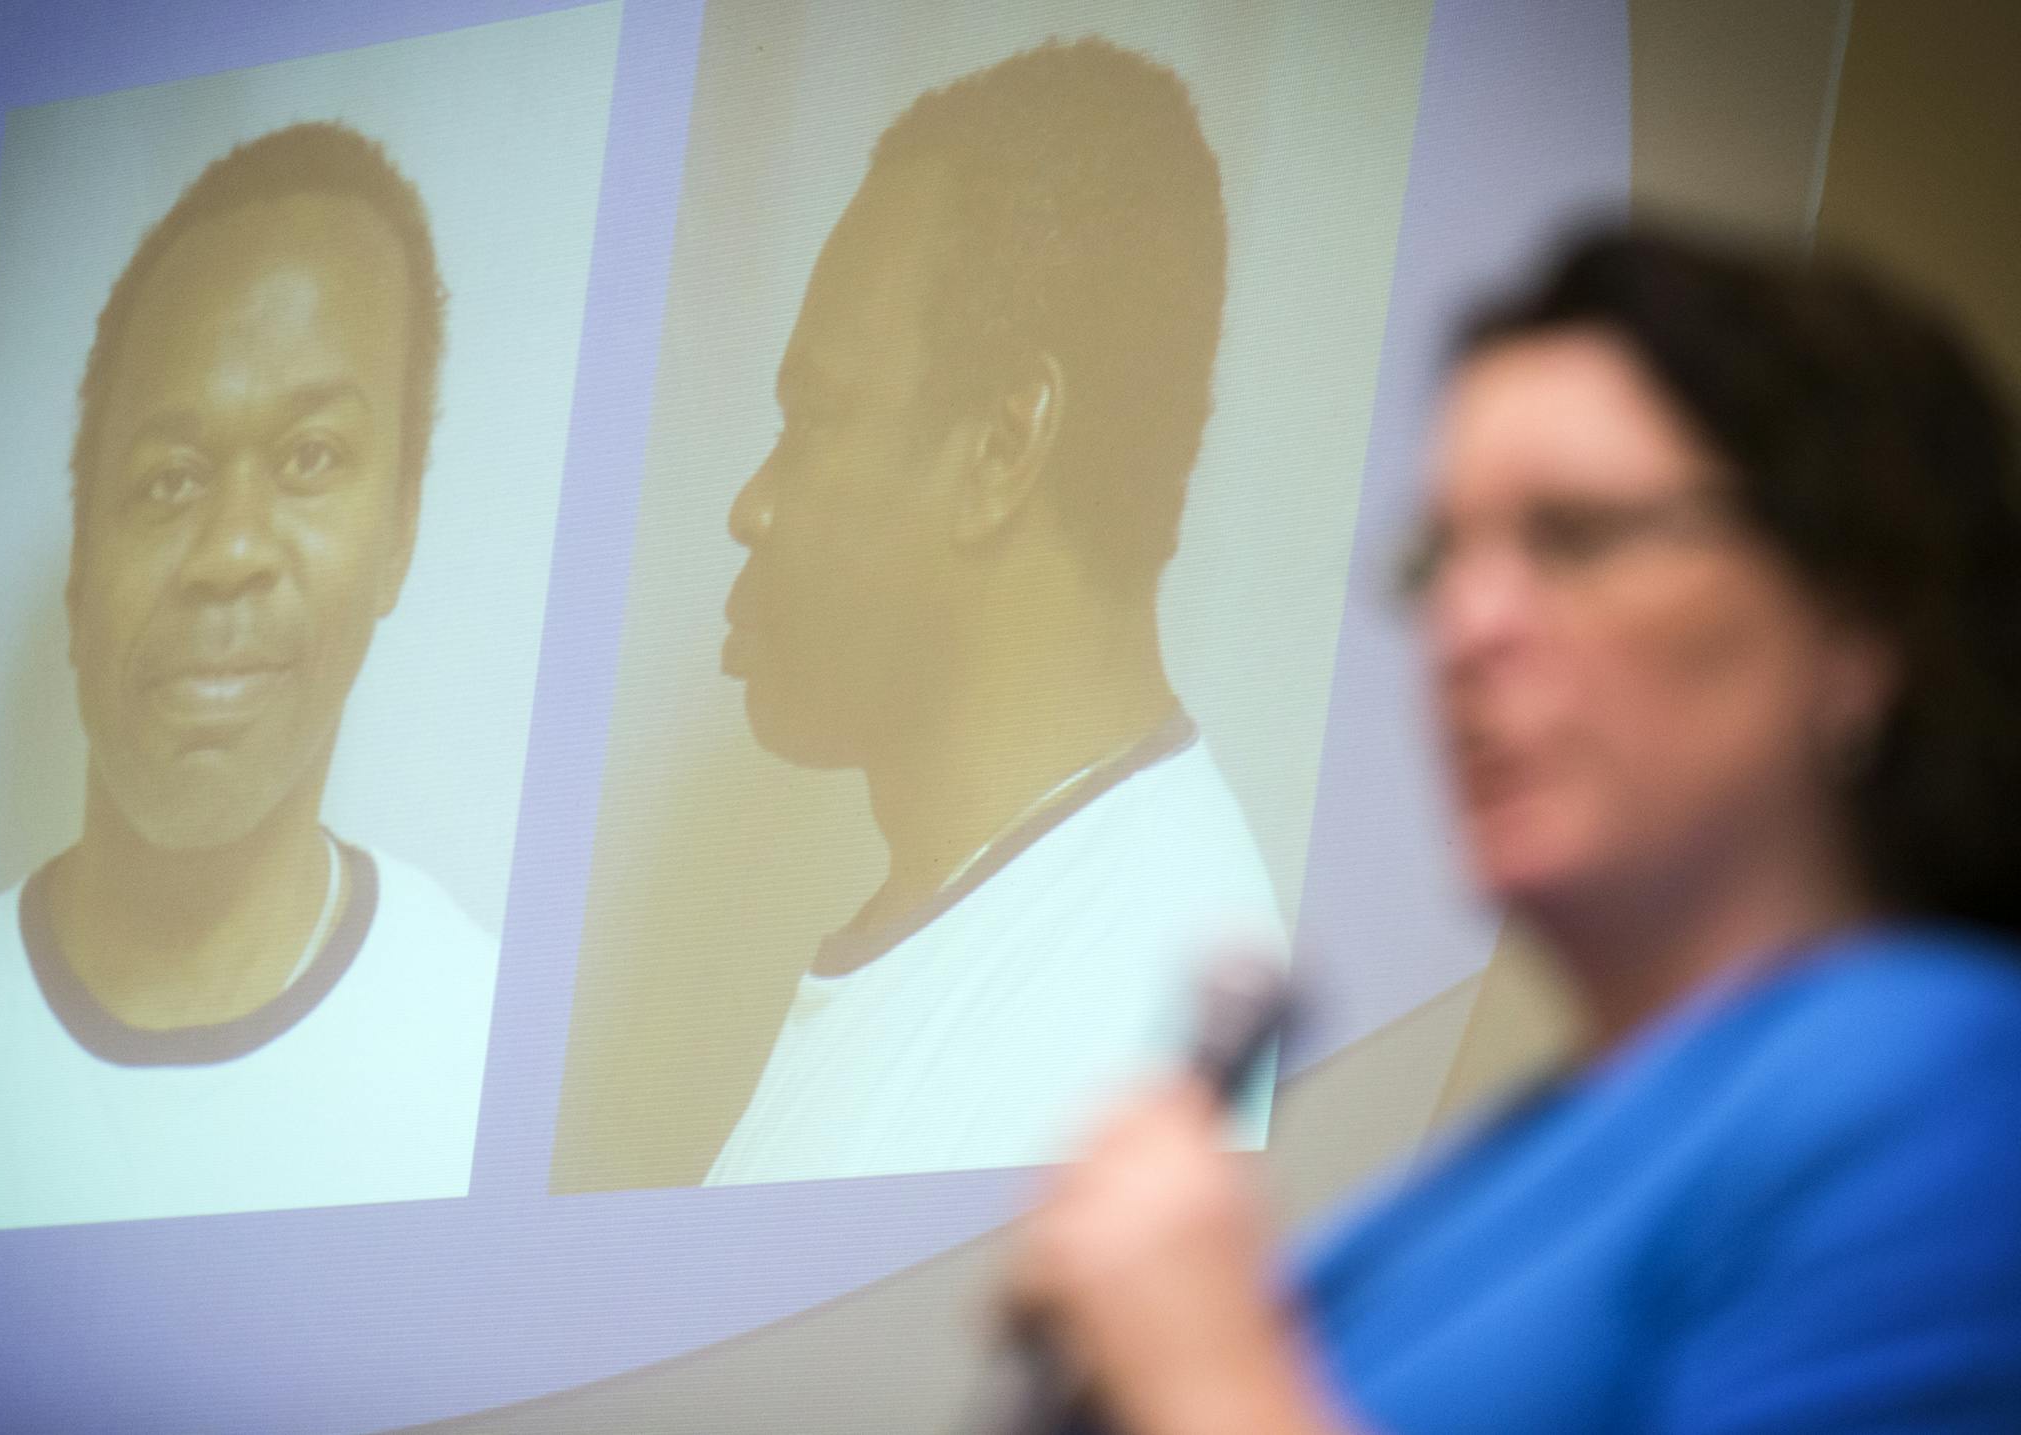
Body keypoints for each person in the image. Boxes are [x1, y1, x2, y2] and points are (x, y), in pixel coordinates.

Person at [1011, 227, 2021, 1433]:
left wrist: (1206, 1377)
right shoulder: (1495, 1171)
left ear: (1857, 630)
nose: (1465, 624)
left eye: (1577, 536)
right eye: (1442, 557)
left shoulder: (1948, 1081)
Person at [0, 122, 499, 1239]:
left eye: (311, 457)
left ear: (401, 530)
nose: (226, 552)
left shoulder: (488, 1044)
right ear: (78, 571)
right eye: (167, 479)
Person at [706, 39, 1285, 1187]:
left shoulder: (1132, 1025)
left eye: (811, 418)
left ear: (1002, 446)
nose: (750, 506)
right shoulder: (1034, 948)